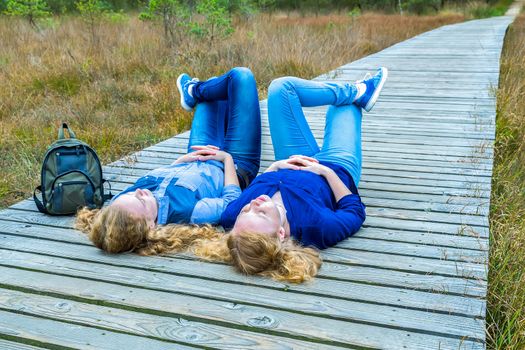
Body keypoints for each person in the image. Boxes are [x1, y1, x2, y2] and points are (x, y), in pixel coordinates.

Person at [189, 68, 388, 283]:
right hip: (337, 165)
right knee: (345, 106)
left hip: (290, 157)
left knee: (281, 88)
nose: (254, 204)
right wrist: (325, 171)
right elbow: (355, 211)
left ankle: (356, 90)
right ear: (281, 234)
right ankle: (356, 92)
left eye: (246, 210)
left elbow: (254, 188)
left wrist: (275, 166)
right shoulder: (318, 227)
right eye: (261, 214)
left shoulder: (233, 216)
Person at [75, 67, 261, 254]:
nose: (139, 191)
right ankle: (192, 90)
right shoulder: (188, 212)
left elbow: (164, 179)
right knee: (240, 77)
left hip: (197, 153)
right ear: (150, 226)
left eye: (131, 194)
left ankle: (194, 90)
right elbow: (231, 203)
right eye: (141, 201)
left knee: (214, 87)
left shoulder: (120, 205)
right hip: (235, 164)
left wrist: (182, 160)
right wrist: (226, 159)